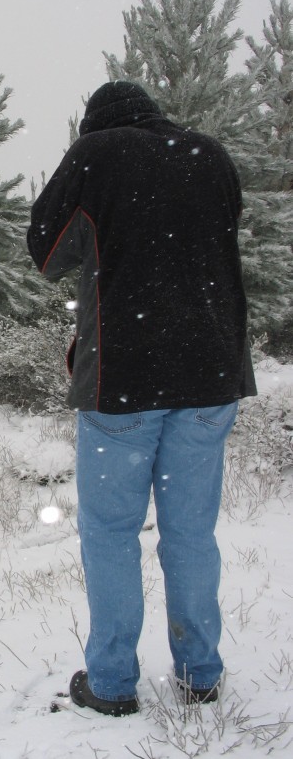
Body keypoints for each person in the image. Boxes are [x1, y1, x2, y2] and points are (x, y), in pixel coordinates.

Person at [27, 80, 256, 717]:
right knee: (190, 533)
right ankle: (201, 674)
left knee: (110, 533)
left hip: (122, 380)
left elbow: (45, 253)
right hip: (212, 375)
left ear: (92, 123)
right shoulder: (208, 155)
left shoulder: (95, 153)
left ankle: (111, 685)